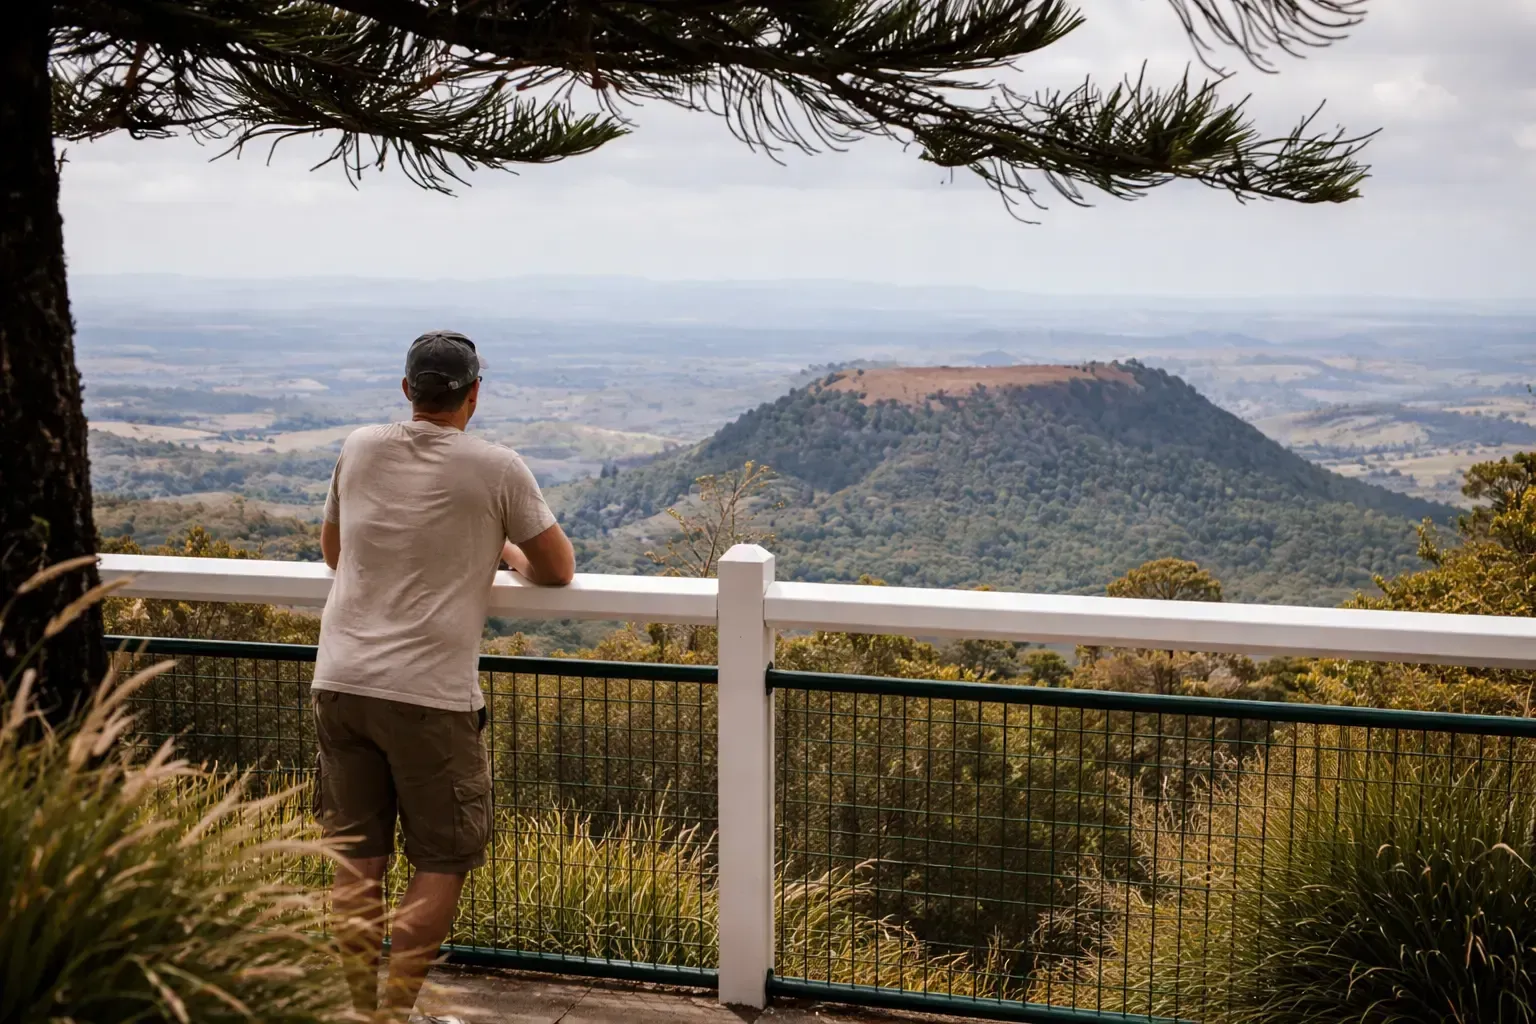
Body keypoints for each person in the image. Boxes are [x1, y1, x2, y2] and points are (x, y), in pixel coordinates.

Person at [312, 330, 574, 1023]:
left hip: (339, 681)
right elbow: (558, 569)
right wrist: (507, 554)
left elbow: (334, 552)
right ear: (474, 395)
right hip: (428, 695)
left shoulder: (360, 446)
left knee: (356, 859)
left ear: (407, 391)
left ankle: (358, 1010)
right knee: (441, 859)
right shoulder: (496, 467)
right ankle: (394, 1015)